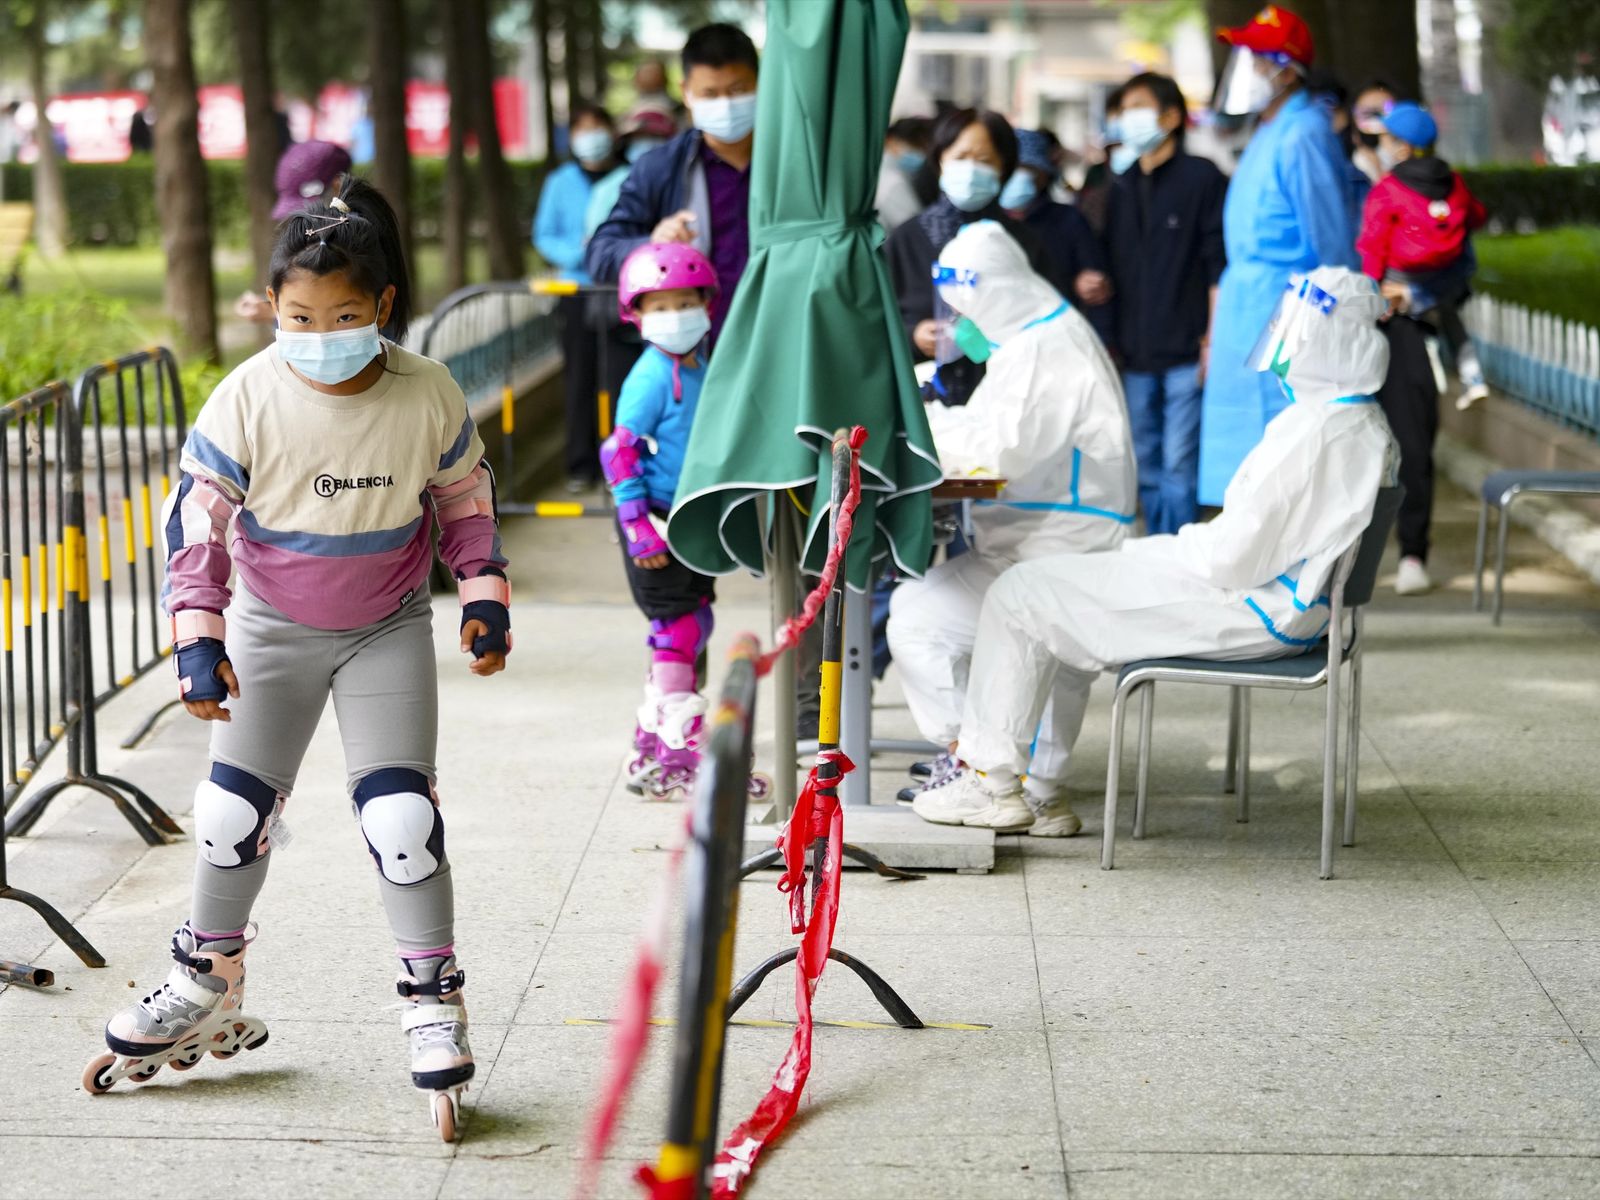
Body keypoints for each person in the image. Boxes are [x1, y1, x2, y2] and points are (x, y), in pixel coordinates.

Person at [82, 179, 510, 1140]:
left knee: (402, 818)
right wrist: (198, 637)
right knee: (229, 814)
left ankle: (433, 995)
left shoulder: (426, 390)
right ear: (273, 303)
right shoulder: (247, 395)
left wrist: (484, 593)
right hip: (272, 628)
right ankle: (207, 975)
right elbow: (199, 524)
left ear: (383, 305)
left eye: (345, 316)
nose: (321, 334)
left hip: (384, 628)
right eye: (301, 316)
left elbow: (464, 498)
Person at [911, 266, 1398, 834]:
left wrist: (1165, 553)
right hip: (1284, 604)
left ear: (1326, 342)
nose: (1285, 355)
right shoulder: (1353, 421)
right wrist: (1164, 551)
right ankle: (1036, 792)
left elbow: (1233, 559)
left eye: (1296, 338)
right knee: (1048, 589)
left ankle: (991, 785)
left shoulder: (1319, 432)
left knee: (1021, 593)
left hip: (1253, 606)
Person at [888, 221, 1135, 831]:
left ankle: (980, 773)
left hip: (1055, 541)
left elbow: (997, 454)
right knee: (1046, 653)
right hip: (1072, 535)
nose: (956, 324)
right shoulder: (1043, 338)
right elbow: (998, 430)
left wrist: (920, 431)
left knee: (917, 617)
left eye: (963, 309)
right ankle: (1039, 789)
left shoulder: (1041, 350)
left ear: (991, 294)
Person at [1199, 4, 1358, 507]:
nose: (1244, 70)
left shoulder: (1304, 132)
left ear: (1287, 71)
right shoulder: (1270, 129)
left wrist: (1327, 322)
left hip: (1284, 310)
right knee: (1247, 464)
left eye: (1256, 59)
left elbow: (1332, 243)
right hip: (1249, 305)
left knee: (1278, 456)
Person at [599, 243, 720, 797]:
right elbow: (618, 451)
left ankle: (651, 742)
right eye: (661, 306)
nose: (675, 316)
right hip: (655, 521)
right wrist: (637, 525)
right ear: (637, 314)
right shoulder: (651, 375)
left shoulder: (698, 367)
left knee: (693, 623)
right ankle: (678, 751)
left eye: (684, 303)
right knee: (679, 628)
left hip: (687, 517)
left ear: (705, 304)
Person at [1359, 101, 1489, 596]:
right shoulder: (1454, 185)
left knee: (1377, 441)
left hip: (1391, 320)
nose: (1380, 145)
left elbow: (1371, 246)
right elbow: (1476, 221)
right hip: (1432, 318)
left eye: (1385, 138)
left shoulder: (1388, 190)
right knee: (1417, 442)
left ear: (1401, 146)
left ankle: (1369, 555)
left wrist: (1372, 295)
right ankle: (1415, 553)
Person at [1103, 72, 1227, 535]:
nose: (1127, 118)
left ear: (1172, 117)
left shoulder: (1202, 178)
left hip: (1186, 349)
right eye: (1124, 109)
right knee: (1145, 459)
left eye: (1138, 106)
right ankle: (1155, 546)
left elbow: (1217, 264)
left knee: (1179, 461)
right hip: (1134, 353)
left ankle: (1174, 552)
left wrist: (1212, 337)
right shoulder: (1121, 185)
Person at [586, 23, 759, 347]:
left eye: (738, 90)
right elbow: (601, 254)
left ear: (760, 83)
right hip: (699, 351)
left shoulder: (794, 160)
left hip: (781, 340)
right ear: (686, 91)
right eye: (710, 94)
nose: (725, 104)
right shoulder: (660, 168)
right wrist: (653, 245)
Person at [885, 106, 1069, 410]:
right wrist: (913, 336)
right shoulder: (906, 240)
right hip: (921, 407)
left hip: (1004, 405)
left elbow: (1051, 324)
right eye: (960, 157)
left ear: (1004, 168)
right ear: (940, 160)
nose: (970, 170)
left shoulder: (1021, 244)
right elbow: (876, 321)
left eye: (984, 160)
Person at [535, 103, 623, 491]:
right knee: (580, 377)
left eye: (597, 128)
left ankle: (621, 461)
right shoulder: (560, 182)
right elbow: (544, 235)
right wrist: (579, 254)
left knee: (619, 377)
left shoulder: (628, 177)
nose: (591, 137)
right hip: (576, 291)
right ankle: (581, 464)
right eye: (582, 130)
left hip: (618, 290)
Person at [1001, 128, 1115, 346]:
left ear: (1045, 174)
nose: (1020, 177)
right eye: (1013, 168)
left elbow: (1097, 286)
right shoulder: (985, 223)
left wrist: (1103, 344)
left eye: (1029, 169)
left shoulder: (1068, 220)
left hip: (1060, 341)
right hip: (1000, 344)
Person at [235, 140, 355, 324]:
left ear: (338, 186)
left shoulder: (357, 241)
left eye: (309, 209)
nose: (304, 222)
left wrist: (280, 315)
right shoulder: (321, 232)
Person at [878, 116, 932, 234]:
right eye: (913, 146)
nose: (919, 153)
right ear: (890, 141)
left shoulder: (885, 173)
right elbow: (915, 231)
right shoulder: (893, 182)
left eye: (922, 148)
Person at [1350, 81, 1398, 185]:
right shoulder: (1360, 158)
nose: (1376, 117)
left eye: (1386, 108)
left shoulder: (1409, 147)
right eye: (1366, 112)